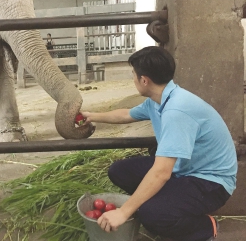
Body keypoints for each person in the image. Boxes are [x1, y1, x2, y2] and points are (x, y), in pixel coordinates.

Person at [81, 46, 237, 241]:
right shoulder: (159, 99)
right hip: (184, 169)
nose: (133, 79)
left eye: (133, 75)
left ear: (144, 80)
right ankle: (165, 206)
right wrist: (92, 117)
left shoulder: (177, 111)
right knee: (119, 171)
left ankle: (204, 228)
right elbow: (126, 114)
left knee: (151, 214)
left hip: (210, 181)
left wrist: (123, 212)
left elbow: (162, 172)